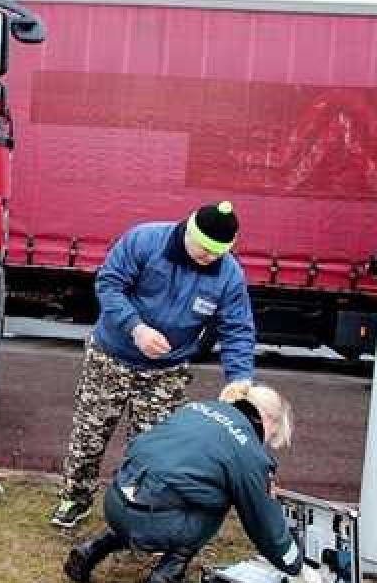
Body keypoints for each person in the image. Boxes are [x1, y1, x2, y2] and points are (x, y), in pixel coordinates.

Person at [51, 201, 257, 529]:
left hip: (167, 371)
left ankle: (137, 510)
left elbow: (238, 329)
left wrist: (240, 378)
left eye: (217, 253)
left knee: (153, 449)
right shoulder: (145, 241)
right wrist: (137, 328)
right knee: (89, 436)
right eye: (203, 250)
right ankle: (75, 497)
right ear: (188, 231)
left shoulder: (228, 274)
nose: (209, 258)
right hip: (112, 357)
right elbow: (109, 285)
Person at [63, 382, 321, 583]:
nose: (267, 442)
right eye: (273, 434)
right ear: (268, 420)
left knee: (163, 490)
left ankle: (91, 550)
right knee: (217, 498)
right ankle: (169, 576)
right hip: (155, 521)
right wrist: (295, 566)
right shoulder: (249, 452)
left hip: (116, 502)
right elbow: (263, 522)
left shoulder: (199, 408)